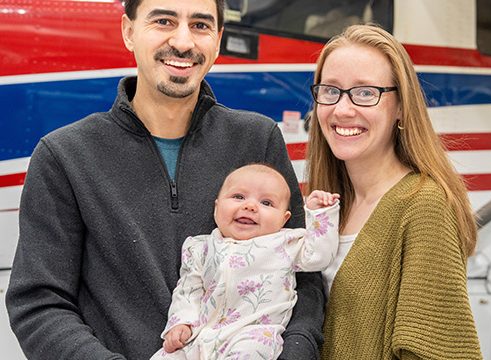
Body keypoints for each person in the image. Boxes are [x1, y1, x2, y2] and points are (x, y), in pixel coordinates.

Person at [5, 1, 325, 359]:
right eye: (164, 21)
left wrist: (295, 353)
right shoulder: (64, 155)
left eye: (201, 25)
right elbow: (40, 301)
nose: (184, 42)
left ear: (218, 41)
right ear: (129, 31)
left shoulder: (258, 138)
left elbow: (303, 277)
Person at [306, 24, 483, 359]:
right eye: (331, 90)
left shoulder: (424, 205)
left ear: (401, 107)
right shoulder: (329, 206)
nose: (342, 109)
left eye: (365, 92)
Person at [149, 163, 340, 359]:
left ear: (284, 219)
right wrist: (181, 323)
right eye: (238, 197)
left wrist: (320, 213)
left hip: (253, 334)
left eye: (266, 203)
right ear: (216, 207)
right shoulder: (200, 247)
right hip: (203, 334)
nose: (249, 206)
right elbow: (189, 290)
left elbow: (320, 256)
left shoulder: (286, 243)